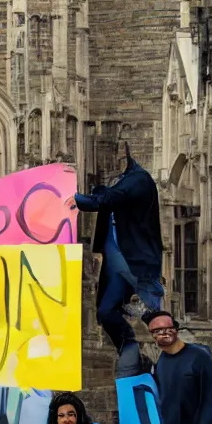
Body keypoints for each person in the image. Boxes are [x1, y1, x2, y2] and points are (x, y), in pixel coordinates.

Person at [74, 143, 164, 376]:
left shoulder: (139, 180)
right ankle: (129, 346)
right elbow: (106, 195)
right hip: (115, 260)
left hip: (135, 258)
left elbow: (110, 198)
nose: (116, 162)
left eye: (121, 158)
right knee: (106, 311)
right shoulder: (120, 182)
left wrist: (77, 198)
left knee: (150, 313)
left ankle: (162, 358)